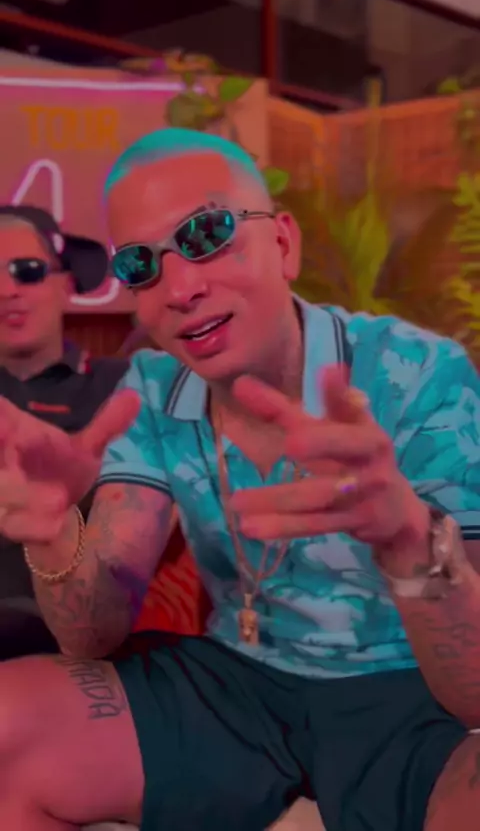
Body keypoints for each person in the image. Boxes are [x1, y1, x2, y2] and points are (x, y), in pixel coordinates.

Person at [0, 129, 478, 831]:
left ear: (283, 244)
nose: (181, 289)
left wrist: (409, 538)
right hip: (236, 683)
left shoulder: (419, 373)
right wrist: (53, 530)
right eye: (141, 264)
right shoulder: (154, 390)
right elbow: (92, 633)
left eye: (208, 235)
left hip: (406, 689)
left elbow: (474, 691)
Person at [0, 205, 128, 659]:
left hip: (67, 635)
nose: (6, 290)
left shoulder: (124, 388)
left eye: (27, 271)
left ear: (66, 283)